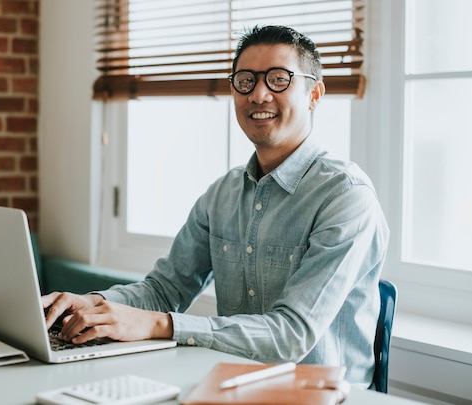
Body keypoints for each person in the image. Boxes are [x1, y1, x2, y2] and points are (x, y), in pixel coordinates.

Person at [42, 25, 389, 387]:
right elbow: (163, 290)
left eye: (278, 79)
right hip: (229, 386)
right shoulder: (222, 194)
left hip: (320, 395)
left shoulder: (346, 196)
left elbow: (291, 335)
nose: (258, 94)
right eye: (245, 80)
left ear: (314, 94)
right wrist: (90, 305)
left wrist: (158, 325)